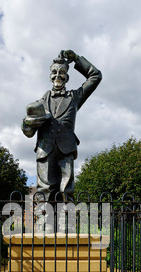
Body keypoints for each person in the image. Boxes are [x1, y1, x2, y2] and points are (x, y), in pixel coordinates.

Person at [21, 50, 102, 202]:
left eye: (62, 72)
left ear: (67, 77)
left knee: (67, 191)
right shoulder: (40, 102)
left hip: (66, 148)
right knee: (44, 191)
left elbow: (96, 76)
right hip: (45, 150)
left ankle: (67, 223)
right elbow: (28, 131)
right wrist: (26, 123)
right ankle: (45, 225)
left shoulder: (75, 97)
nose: (58, 75)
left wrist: (77, 59)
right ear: (50, 76)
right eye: (54, 72)